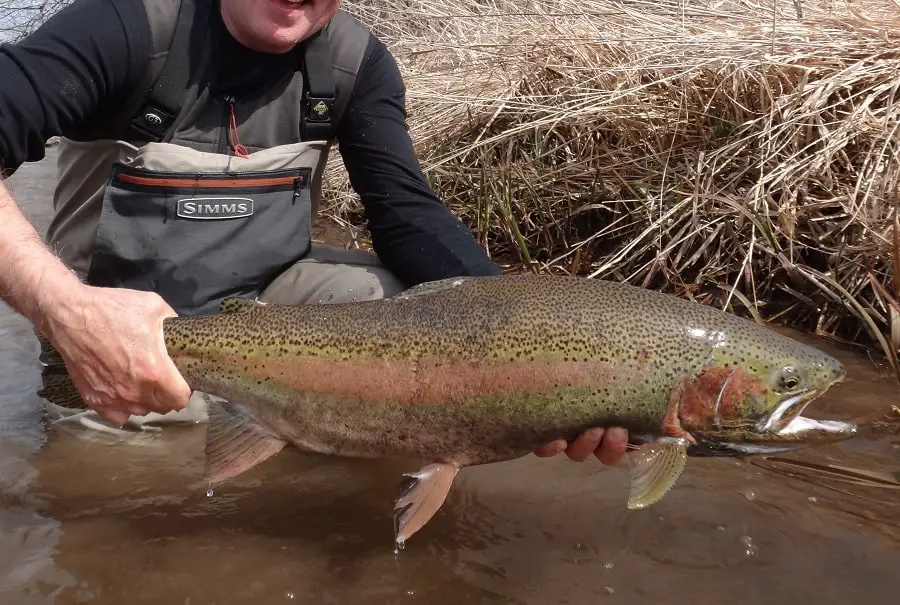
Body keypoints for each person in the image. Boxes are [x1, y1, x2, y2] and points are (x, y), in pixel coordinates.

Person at [0, 0, 627, 466]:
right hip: (121, 335)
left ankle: (351, 435)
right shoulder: (124, 28)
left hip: (271, 314)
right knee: (112, 491)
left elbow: (405, 213)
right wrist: (65, 308)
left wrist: (529, 354)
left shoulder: (354, 62)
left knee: (400, 300)